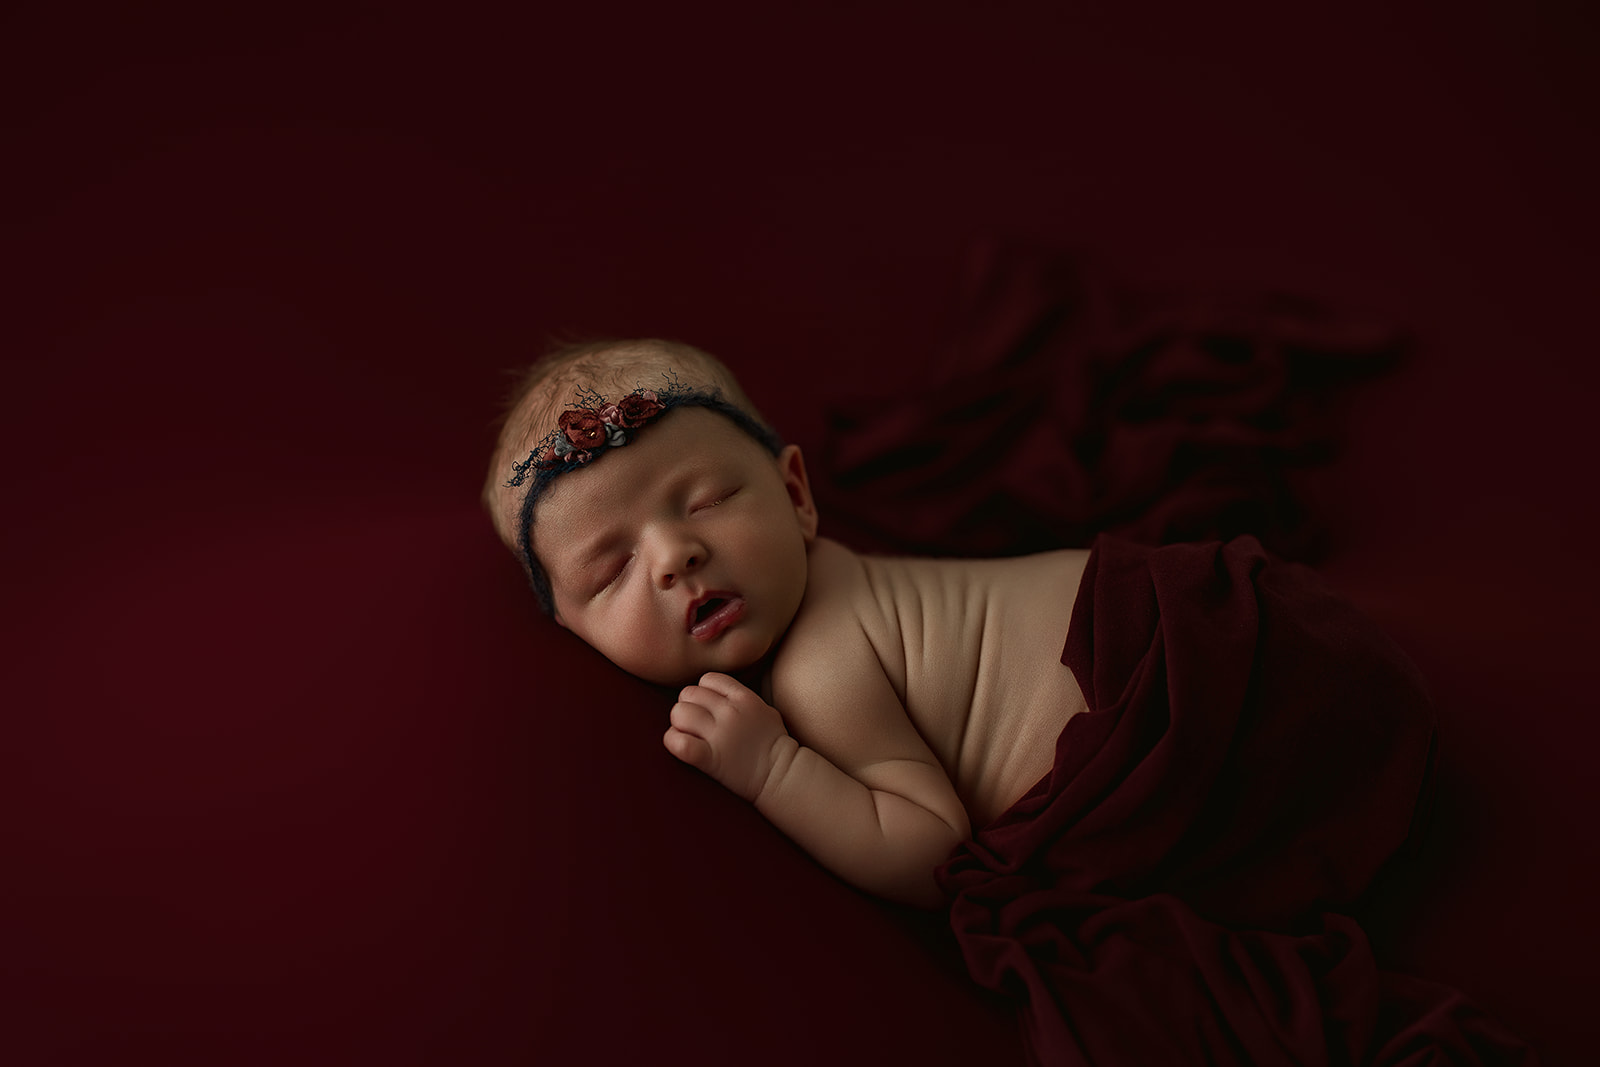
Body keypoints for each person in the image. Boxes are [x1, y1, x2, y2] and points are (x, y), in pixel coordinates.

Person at [482, 337, 1094, 909]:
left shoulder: (820, 668)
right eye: (613, 571)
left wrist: (772, 768)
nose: (674, 556)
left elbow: (934, 853)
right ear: (573, 628)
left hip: (1142, 668)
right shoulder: (840, 582)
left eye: (708, 501)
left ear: (797, 495)